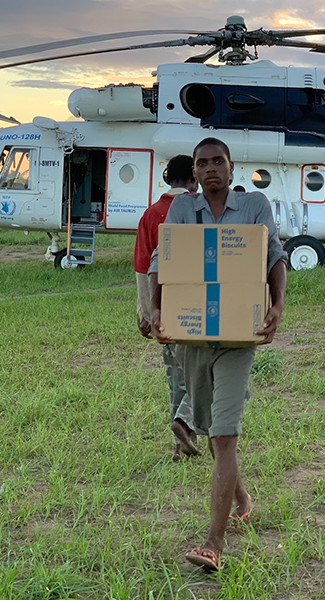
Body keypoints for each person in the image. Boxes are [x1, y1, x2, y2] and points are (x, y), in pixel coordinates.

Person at [149, 138, 288, 572]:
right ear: (194, 171)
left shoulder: (254, 206)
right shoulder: (181, 209)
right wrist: (156, 309)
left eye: (218, 161)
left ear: (231, 166)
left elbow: (274, 256)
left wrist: (277, 306)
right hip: (191, 338)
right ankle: (241, 495)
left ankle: (214, 543)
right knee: (211, 430)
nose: (210, 168)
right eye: (202, 163)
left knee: (225, 434)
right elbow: (161, 259)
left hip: (238, 338)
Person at [134, 155, 200, 461]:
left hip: (164, 308)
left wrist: (146, 313)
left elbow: (142, 267)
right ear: (195, 178)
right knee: (207, 372)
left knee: (176, 377)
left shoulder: (150, 215)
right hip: (199, 305)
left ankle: (179, 446)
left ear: (166, 178)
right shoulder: (202, 209)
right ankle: (185, 423)